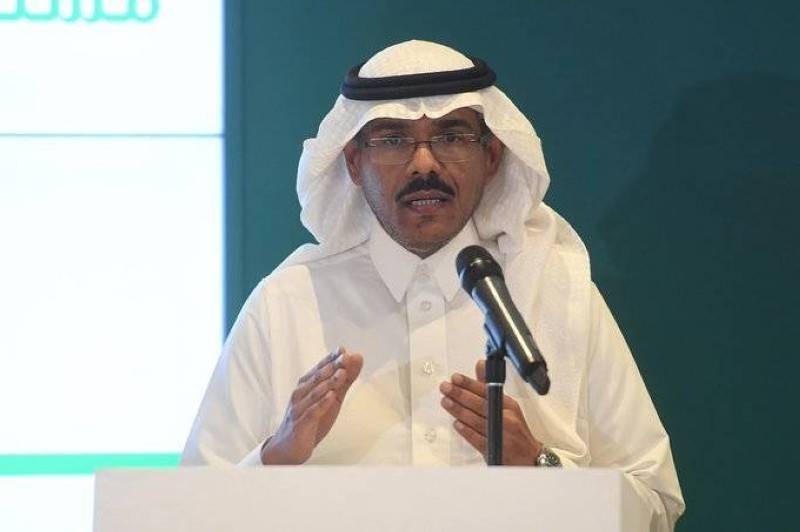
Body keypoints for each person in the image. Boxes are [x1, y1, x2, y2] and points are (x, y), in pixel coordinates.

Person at [182, 40, 685, 530]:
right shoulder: (285, 304)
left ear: (492, 157)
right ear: (353, 162)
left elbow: (656, 504)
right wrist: (275, 456)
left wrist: (539, 465)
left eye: (452, 136)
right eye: (393, 140)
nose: (424, 164)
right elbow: (187, 515)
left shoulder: (559, 292)